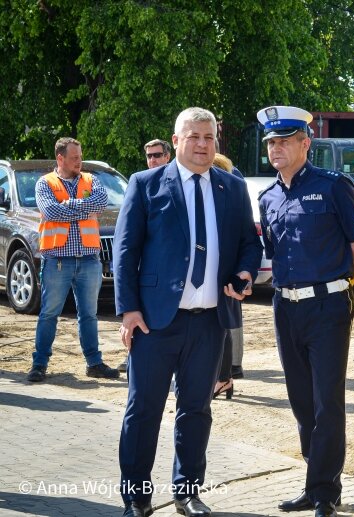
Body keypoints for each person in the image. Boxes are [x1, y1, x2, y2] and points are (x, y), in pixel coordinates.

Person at [114, 107, 262, 517]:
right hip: (155, 323)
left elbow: (250, 243)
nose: (201, 144)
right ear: (176, 140)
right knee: (142, 412)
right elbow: (125, 252)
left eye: (209, 137)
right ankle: (137, 498)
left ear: (216, 143)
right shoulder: (146, 185)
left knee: (196, 411)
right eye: (193, 137)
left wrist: (246, 271)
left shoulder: (231, 188)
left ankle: (187, 492)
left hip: (209, 323)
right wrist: (128, 311)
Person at [258, 105, 354, 517]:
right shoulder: (267, 197)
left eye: (285, 140)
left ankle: (325, 492)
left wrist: (344, 286)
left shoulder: (331, 186)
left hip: (327, 308)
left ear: (306, 143)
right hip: (285, 308)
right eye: (272, 142)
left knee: (327, 403)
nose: (277, 148)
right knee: (302, 402)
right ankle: (316, 481)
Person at [26, 137, 119, 383]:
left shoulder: (91, 180)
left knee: (89, 314)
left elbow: (100, 202)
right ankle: (39, 364)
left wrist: (68, 204)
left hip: (89, 259)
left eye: (80, 156)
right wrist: (83, 209)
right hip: (57, 260)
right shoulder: (44, 183)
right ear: (61, 158)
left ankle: (94, 363)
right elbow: (51, 211)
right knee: (49, 314)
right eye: (75, 157)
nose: (79, 161)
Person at [117, 138, 176, 375]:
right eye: (149, 156)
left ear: (168, 156)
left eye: (157, 155)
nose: (153, 160)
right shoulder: (140, 182)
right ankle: (133, 360)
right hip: (144, 275)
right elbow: (127, 243)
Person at [211, 152, 246, 399]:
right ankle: (227, 376)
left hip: (226, 277)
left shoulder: (233, 190)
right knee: (223, 328)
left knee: (223, 328)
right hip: (220, 277)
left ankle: (225, 377)